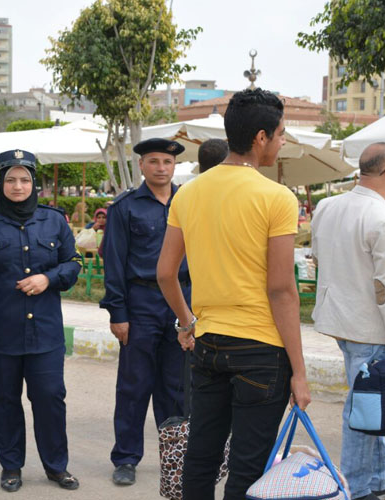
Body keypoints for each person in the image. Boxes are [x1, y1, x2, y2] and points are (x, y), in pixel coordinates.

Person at [157, 88, 310, 499]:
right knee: (248, 470)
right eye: (280, 134)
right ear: (261, 137)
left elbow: (165, 273)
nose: (282, 141)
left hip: (208, 346)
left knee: (200, 460)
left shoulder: (188, 193)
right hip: (262, 352)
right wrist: (299, 371)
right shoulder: (277, 197)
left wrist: (186, 323)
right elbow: (281, 289)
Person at [0, 149, 82, 493]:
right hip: (0, 332)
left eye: (24, 180)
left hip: (45, 331)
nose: (18, 186)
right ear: (1, 183)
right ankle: (11, 465)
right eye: (11, 180)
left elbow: (73, 263)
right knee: (3, 400)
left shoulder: (53, 221)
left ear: (34, 183)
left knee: (50, 398)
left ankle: (56, 466)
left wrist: (48, 278)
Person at [311, 142, 385, 500]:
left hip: (341, 318)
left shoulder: (328, 206)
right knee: (363, 409)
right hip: (371, 327)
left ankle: (379, 477)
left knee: (373, 404)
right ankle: (357, 486)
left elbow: (319, 257)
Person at [100, 137, 190, 487]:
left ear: (174, 166)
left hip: (181, 301)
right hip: (141, 303)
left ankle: (175, 458)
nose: (161, 168)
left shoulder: (189, 202)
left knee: (177, 387)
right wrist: (117, 312)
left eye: (167, 162)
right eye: (153, 161)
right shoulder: (125, 207)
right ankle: (126, 458)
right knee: (134, 386)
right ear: (141, 165)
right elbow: (114, 262)